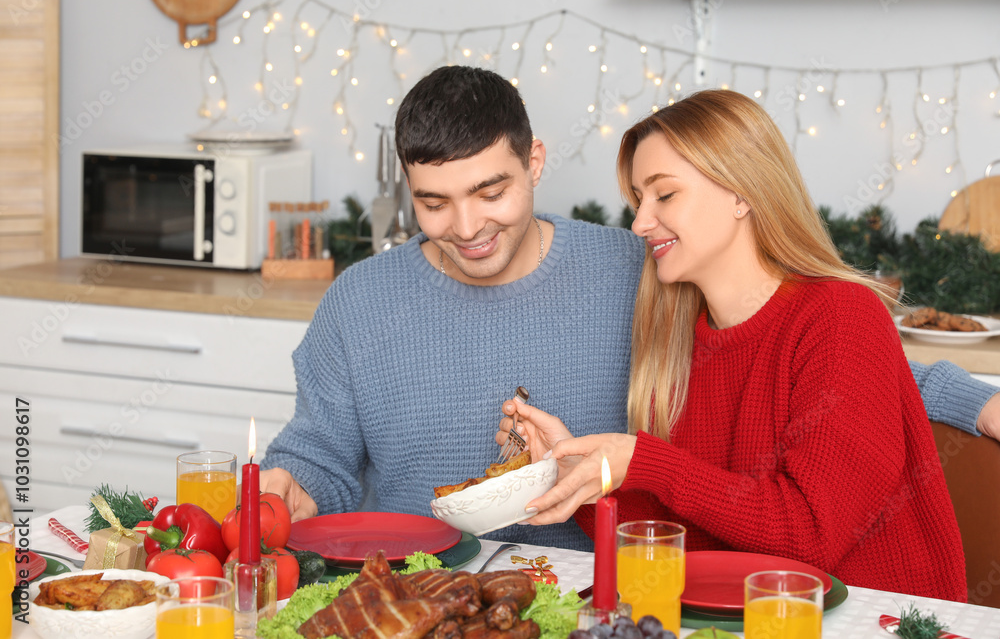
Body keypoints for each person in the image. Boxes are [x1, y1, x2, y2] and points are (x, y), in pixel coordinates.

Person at [259, 65, 997, 553]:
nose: (467, 227)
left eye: (492, 192)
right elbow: (316, 454)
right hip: (419, 591)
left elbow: (818, 354)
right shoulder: (360, 300)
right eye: (434, 203)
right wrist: (287, 486)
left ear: (535, 163)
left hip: (609, 600)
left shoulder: (639, 270)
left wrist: (976, 401)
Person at [501, 89, 967, 601]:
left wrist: (644, 460)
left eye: (665, 195)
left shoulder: (841, 317)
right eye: (638, 200)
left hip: (877, 621)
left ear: (742, 192)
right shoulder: (679, 341)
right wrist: (578, 476)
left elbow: (808, 539)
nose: (639, 223)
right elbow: (697, 542)